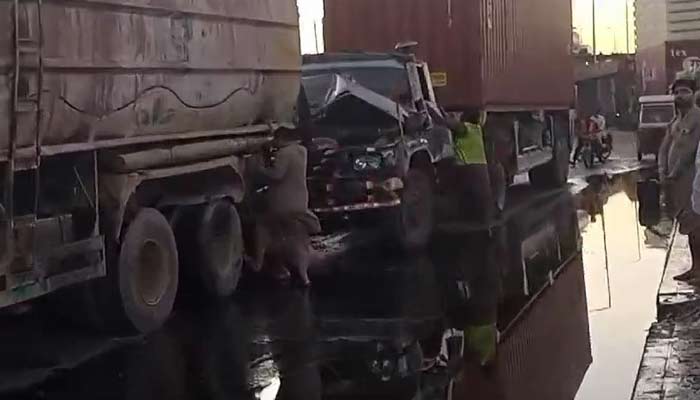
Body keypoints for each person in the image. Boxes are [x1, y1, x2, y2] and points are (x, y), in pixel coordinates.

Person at [249, 127, 321, 286]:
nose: (274, 142)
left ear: (281, 139)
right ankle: (294, 272)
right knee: (290, 234)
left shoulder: (284, 153)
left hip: (282, 203)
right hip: (300, 201)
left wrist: (258, 168)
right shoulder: (302, 151)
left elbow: (277, 175)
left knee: (262, 226)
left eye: (275, 139)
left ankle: (258, 262)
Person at [658, 73, 700, 283]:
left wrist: (673, 174)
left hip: (692, 182)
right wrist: (662, 172)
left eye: (685, 91)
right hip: (677, 183)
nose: (680, 96)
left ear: (694, 94)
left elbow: (689, 151)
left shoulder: (697, 118)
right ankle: (695, 268)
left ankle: (699, 270)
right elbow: (665, 148)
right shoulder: (676, 120)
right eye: (677, 92)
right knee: (688, 225)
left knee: (696, 225)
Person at [445, 109, 496, 222]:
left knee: (466, 196)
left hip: (467, 167)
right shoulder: (477, 129)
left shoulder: (466, 128)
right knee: (483, 196)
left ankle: (468, 219)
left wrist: (439, 113)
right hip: (481, 168)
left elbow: (449, 124)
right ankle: (488, 221)